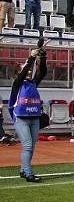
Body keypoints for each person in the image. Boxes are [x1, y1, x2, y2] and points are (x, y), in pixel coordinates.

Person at [10, 48, 47, 182]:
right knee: (27, 146)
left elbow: (42, 72)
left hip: (34, 119)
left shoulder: (32, 83)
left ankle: (23, 170)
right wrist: (31, 59)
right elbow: (23, 73)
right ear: (18, 72)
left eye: (30, 70)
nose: (29, 71)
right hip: (21, 119)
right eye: (25, 69)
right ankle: (28, 173)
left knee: (31, 146)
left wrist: (42, 58)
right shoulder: (17, 84)